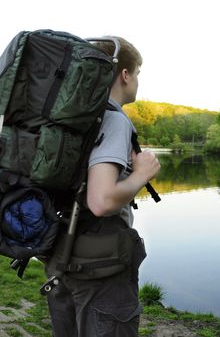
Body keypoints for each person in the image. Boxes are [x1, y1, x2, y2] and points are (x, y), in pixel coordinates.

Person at [46, 36, 160, 336]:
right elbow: (101, 201)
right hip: (101, 268)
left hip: (62, 256)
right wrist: (140, 175)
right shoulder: (112, 119)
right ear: (125, 74)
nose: (137, 81)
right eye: (137, 74)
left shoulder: (68, 116)